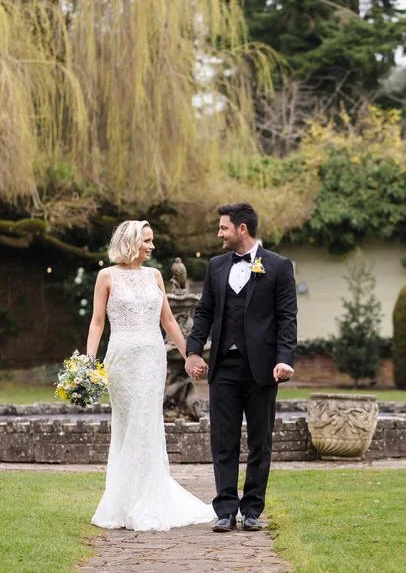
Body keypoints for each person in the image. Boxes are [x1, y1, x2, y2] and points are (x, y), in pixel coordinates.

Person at [86, 220, 216, 531]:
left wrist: (190, 356)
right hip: (121, 358)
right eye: (147, 240)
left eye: (152, 240)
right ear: (131, 241)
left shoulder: (155, 276)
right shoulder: (106, 276)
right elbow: (97, 322)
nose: (152, 246)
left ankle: (149, 498)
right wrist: (88, 363)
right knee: (128, 424)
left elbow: (169, 321)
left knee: (147, 423)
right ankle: (124, 501)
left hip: (152, 358)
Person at [185, 202, 298, 532]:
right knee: (223, 439)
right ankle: (225, 509)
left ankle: (252, 510)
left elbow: (287, 317)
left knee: (260, 441)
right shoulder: (216, 266)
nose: (219, 233)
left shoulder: (278, 266)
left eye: (223, 228)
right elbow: (204, 312)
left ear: (242, 229)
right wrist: (193, 351)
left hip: (262, 369)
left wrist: (284, 358)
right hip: (224, 367)